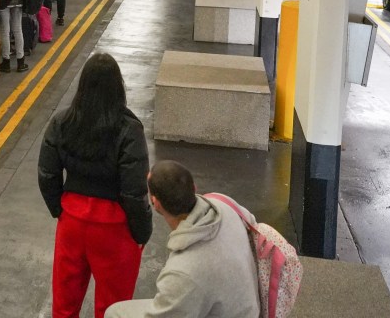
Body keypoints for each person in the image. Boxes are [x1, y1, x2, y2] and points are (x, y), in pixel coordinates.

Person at [38, 53, 152, 318]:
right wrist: (141, 232)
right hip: (115, 228)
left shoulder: (62, 122)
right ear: (118, 87)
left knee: (65, 305)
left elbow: (47, 174)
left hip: (72, 222)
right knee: (114, 308)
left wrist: (60, 210)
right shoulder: (129, 130)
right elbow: (135, 192)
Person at [105, 161, 260, 318]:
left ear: (156, 203)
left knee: (114, 312)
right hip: (247, 306)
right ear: (194, 188)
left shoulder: (182, 272)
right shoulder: (225, 205)